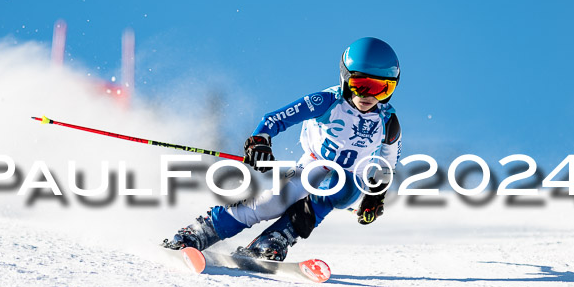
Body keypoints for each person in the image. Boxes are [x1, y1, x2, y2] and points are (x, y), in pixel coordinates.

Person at [163, 37, 403, 261]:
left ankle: (275, 238)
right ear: (345, 77)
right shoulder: (328, 102)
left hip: (351, 175)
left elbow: (386, 165)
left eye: (382, 88)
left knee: (340, 193)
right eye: (361, 85)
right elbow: (275, 119)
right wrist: (260, 141)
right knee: (276, 201)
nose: (369, 96)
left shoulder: (388, 121)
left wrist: (375, 195)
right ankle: (202, 231)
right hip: (315, 161)